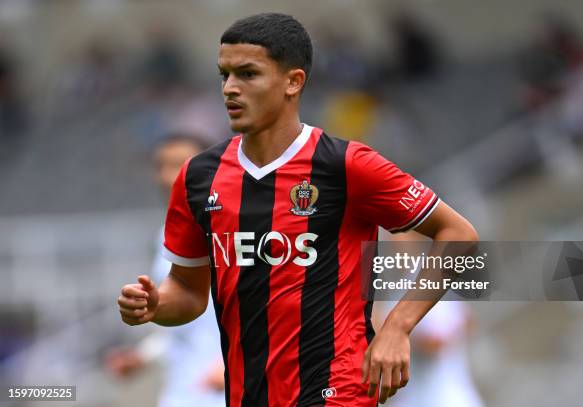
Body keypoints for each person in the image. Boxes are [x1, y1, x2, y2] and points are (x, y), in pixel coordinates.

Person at [117, 13, 478, 406]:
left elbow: (458, 234)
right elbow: (188, 292)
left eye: (248, 74)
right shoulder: (199, 177)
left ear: (293, 81)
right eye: (225, 75)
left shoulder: (346, 164)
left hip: (335, 392)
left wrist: (398, 328)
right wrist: (156, 305)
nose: (230, 89)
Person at [108, 134, 226, 407]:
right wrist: (142, 356)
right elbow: (183, 330)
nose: (167, 176)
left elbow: (274, 311)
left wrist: (237, 362)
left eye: (179, 164)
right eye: (161, 165)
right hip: (181, 394)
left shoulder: (233, 233)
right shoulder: (166, 237)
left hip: (228, 392)